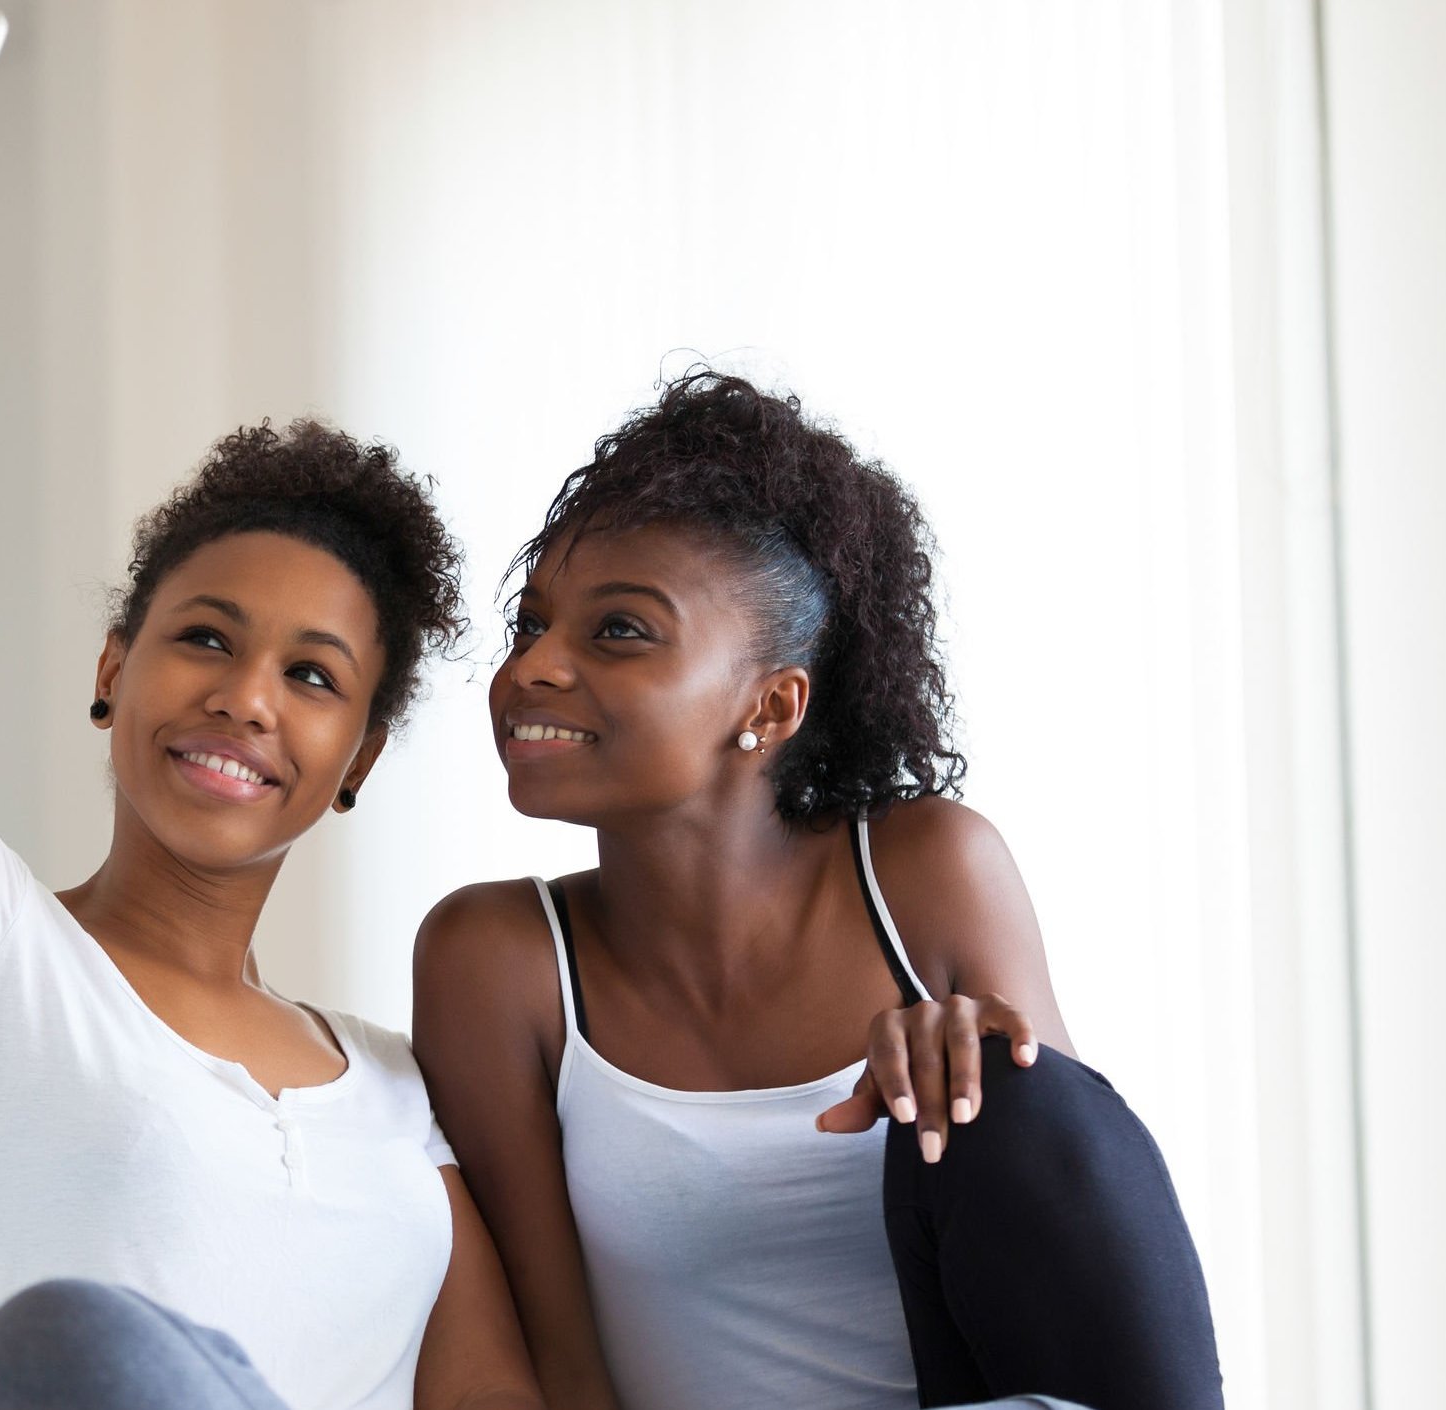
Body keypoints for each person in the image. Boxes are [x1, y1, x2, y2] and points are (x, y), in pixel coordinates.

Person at [0, 5, 541, 1407]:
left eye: (313, 676)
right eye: (203, 636)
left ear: (359, 754)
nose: (246, 696)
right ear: (112, 669)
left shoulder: (394, 1090)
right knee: (77, 1338)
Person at [415, 370, 1224, 1410]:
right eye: (531, 625)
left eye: (617, 631)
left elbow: (1083, 1245)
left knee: (1010, 1085)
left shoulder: (930, 873)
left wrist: (977, 1053)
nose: (533, 668)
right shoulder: (496, 958)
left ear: (773, 703)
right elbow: (557, 1366)